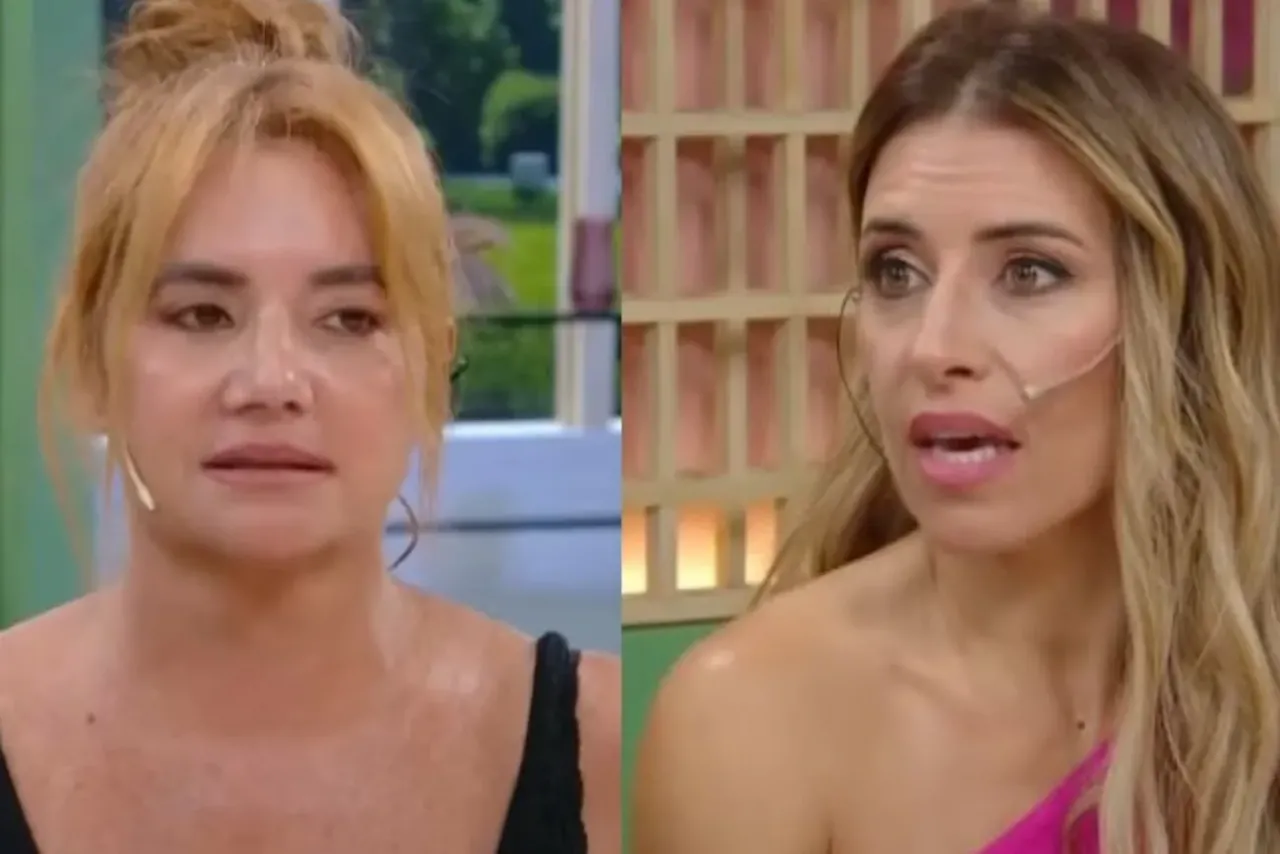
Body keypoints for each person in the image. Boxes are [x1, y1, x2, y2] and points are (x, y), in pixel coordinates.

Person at [633, 5, 1280, 854]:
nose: (933, 348)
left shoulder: (1257, 670)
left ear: (1185, 318)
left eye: (1029, 272)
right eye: (896, 272)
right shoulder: (747, 722)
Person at [0, 1, 619, 852]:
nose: (272, 383)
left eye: (348, 319)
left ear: (432, 367)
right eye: (202, 314)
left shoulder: (610, 752)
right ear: (93, 360)